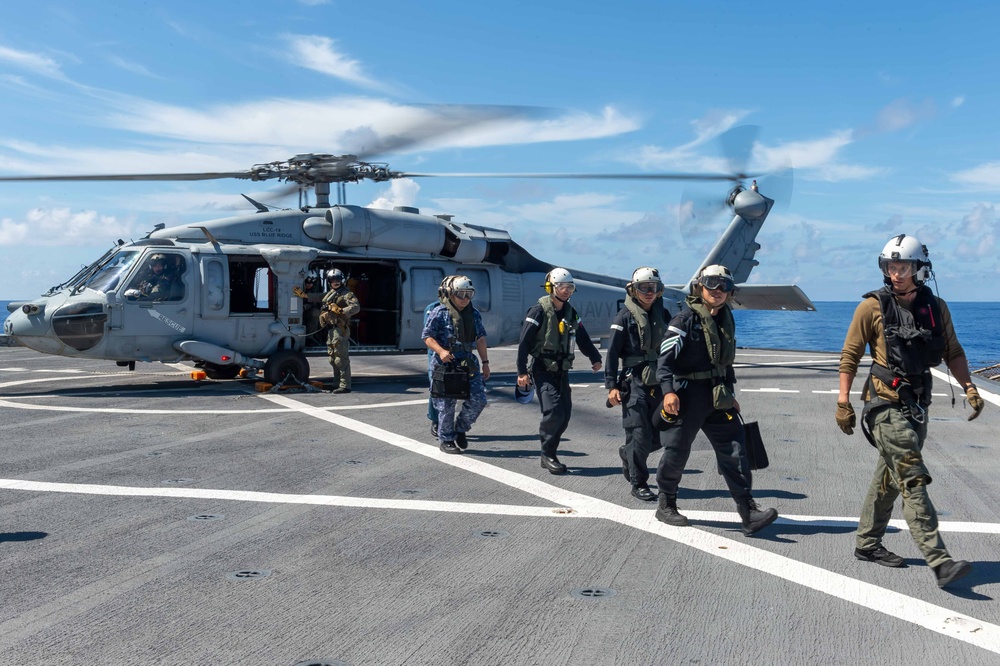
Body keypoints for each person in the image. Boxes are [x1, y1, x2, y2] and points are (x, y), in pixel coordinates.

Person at [837, 234, 983, 588]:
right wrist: (843, 402)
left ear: (920, 270)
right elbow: (850, 356)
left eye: (903, 267)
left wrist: (970, 387)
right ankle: (939, 560)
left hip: (918, 405)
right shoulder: (871, 307)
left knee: (889, 479)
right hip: (883, 404)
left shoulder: (936, 307)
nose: (896, 274)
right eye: (891, 267)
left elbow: (954, 352)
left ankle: (867, 544)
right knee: (912, 477)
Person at [653, 264, 778, 536]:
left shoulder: (725, 320)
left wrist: (730, 393)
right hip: (687, 395)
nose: (718, 290)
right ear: (700, 287)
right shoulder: (683, 321)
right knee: (677, 451)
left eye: (724, 286)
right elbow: (663, 361)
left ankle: (748, 513)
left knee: (736, 450)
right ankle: (666, 504)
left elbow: (725, 362)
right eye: (712, 283)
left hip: (718, 396)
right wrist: (668, 391)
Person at [516, 268, 603, 474]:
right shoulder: (538, 311)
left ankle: (549, 453)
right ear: (550, 287)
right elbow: (524, 342)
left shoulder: (571, 312)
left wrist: (595, 357)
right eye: (561, 286)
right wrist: (521, 372)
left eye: (569, 287)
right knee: (553, 410)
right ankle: (547, 454)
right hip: (542, 368)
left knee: (565, 414)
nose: (566, 291)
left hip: (562, 370)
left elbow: (582, 336)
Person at [606, 267, 667, 501]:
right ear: (634, 290)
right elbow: (611, 353)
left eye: (653, 288)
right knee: (639, 434)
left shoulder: (664, 315)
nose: (649, 292)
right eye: (644, 288)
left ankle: (627, 453)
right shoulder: (624, 317)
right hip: (634, 383)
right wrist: (611, 385)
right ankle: (639, 482)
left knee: (661, 436)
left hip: (660, 382)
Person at [422, 275, 490, 454]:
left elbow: (481, 339)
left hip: (467, 361)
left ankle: (460, 429)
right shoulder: (439, 312)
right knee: (446, 404)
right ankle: (446, 439)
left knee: (479, 400)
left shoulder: (474, 314)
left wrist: (485, 363)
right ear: (451, 294)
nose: (465, 298)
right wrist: (441, 351)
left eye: (469, 294)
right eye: (461, 294)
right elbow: (427, 337)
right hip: (445, 363)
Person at [321, 268, 361, 394]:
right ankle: (336, 383)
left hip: (340, 329)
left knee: (341, 358)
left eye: (337, 279)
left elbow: (356, 307)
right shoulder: (332, 294)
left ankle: (345, 385)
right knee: (332, 358)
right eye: (333, 280)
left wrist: (341, 311)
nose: (335, 282)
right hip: (331, 329)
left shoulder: (346, 294)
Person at [293, 273, 324, 346]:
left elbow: (314, 303)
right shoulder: (298, 288)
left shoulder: (314, 292)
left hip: (307, 312)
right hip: (296, 312)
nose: (309, 285)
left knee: (315, 312)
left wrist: (305, 307)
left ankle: (309, 337)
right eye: (308, 282)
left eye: (312, 283)